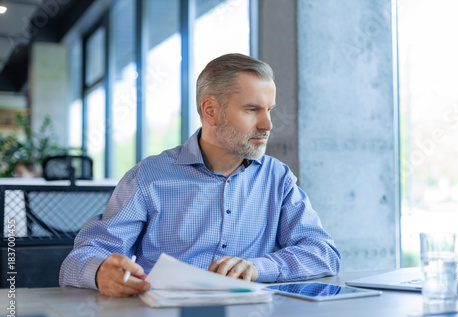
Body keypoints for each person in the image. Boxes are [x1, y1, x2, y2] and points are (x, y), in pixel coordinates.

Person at [60, 53, 341, 297]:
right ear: (210, 110)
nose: (267, 124)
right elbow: (79, 259)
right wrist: (99, 273)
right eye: (252, 109)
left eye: (269, 110)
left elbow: (323, 253)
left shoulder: (276, 178)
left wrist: (259, 267)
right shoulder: (149, 177)